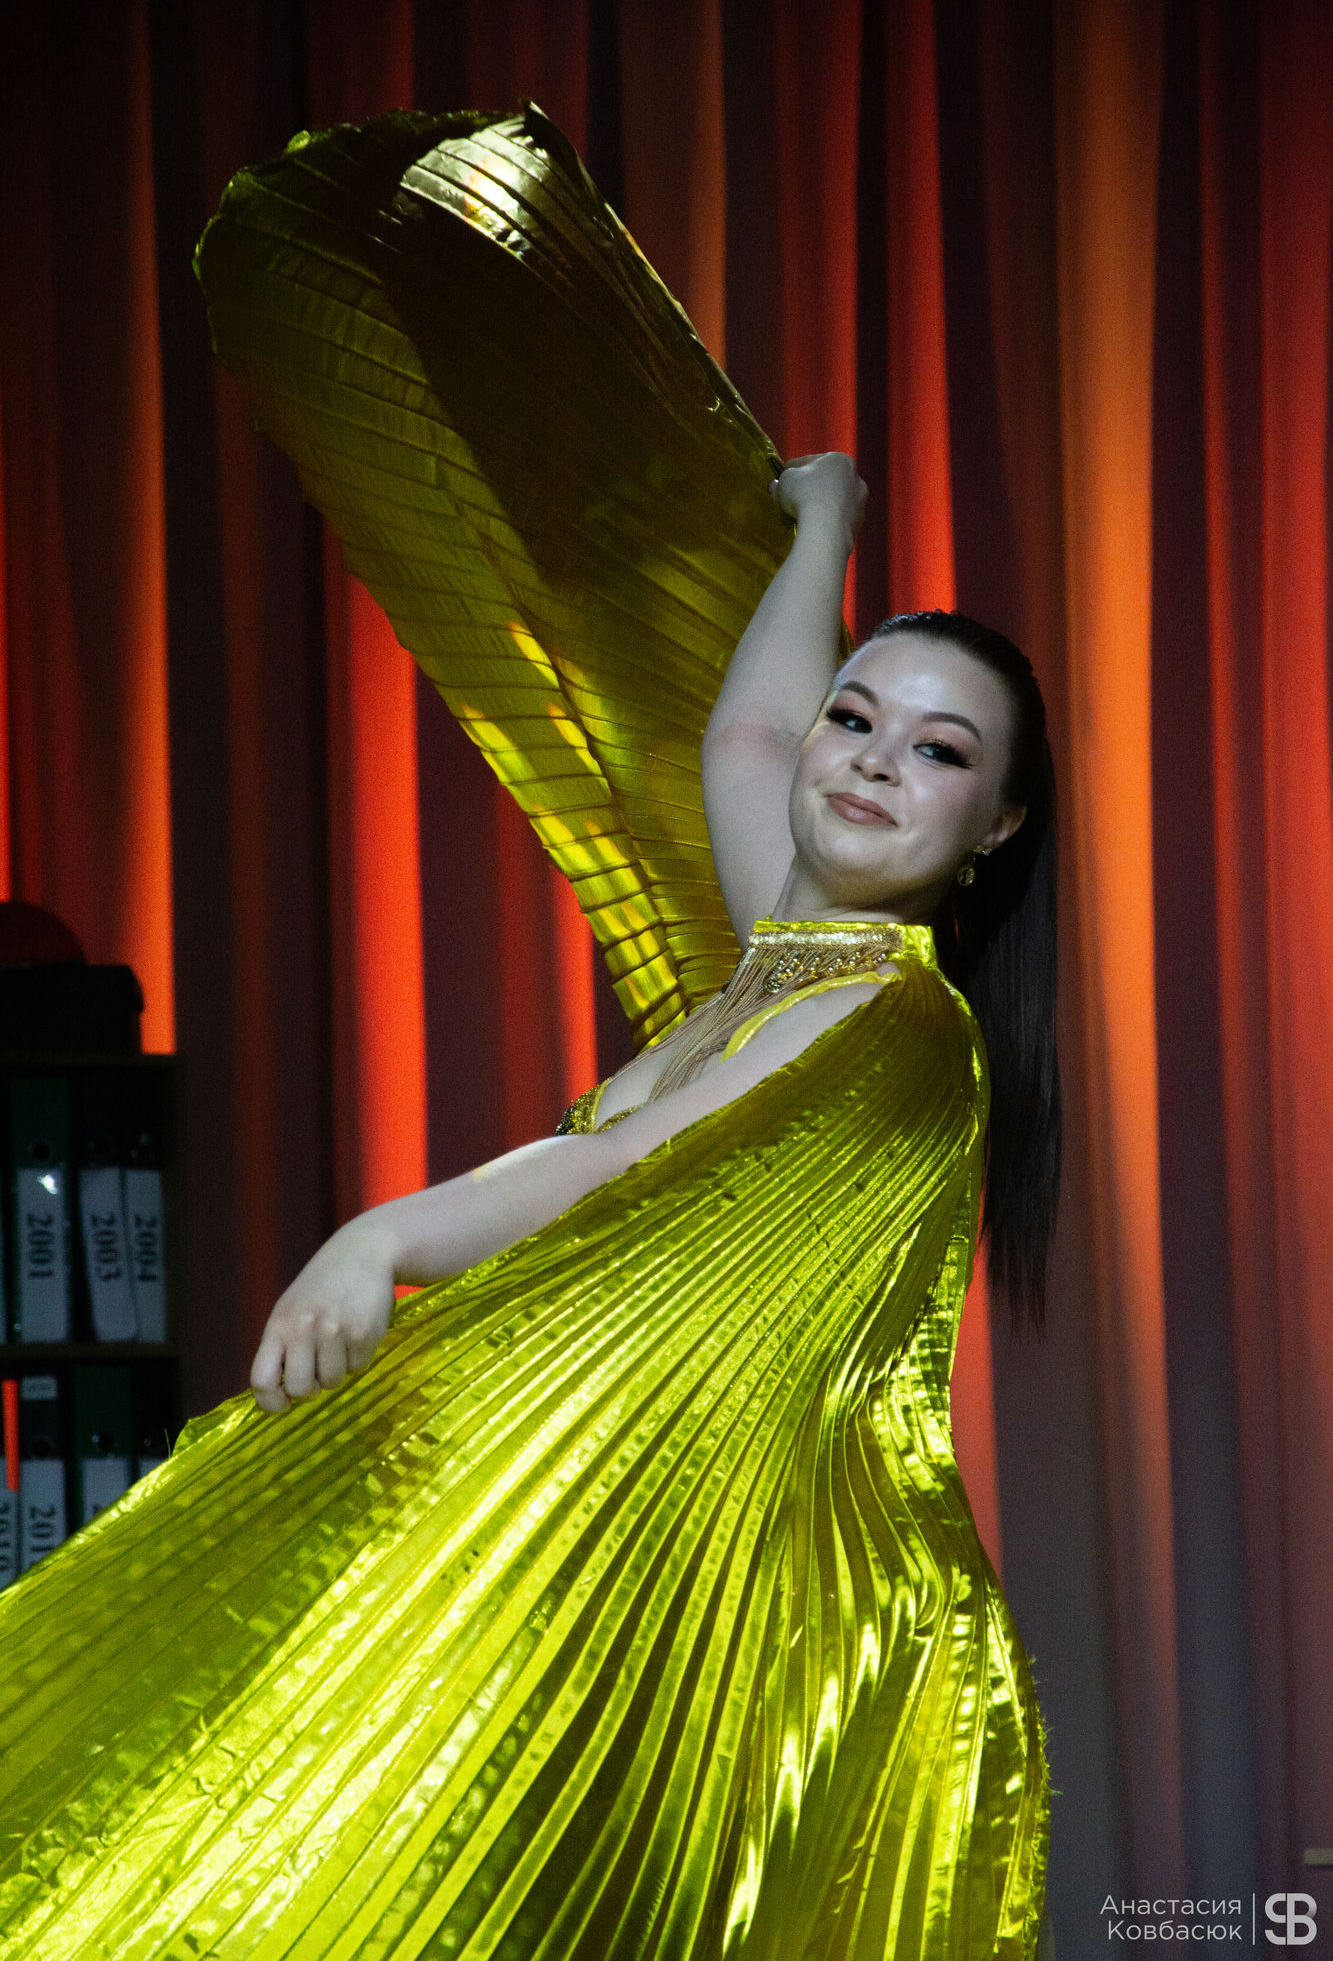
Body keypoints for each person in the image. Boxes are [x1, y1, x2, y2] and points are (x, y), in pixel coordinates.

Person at [0, 110, 1058, 1959]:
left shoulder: (883, 1023)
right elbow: (746, 737)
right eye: (859, 719)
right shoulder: (784, 959)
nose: (872, 762)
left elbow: (623, 1163)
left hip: (756, 1616)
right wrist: (819, 519)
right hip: (628, 1554)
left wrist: (383, 1233)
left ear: (997, 829)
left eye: (938, 751)